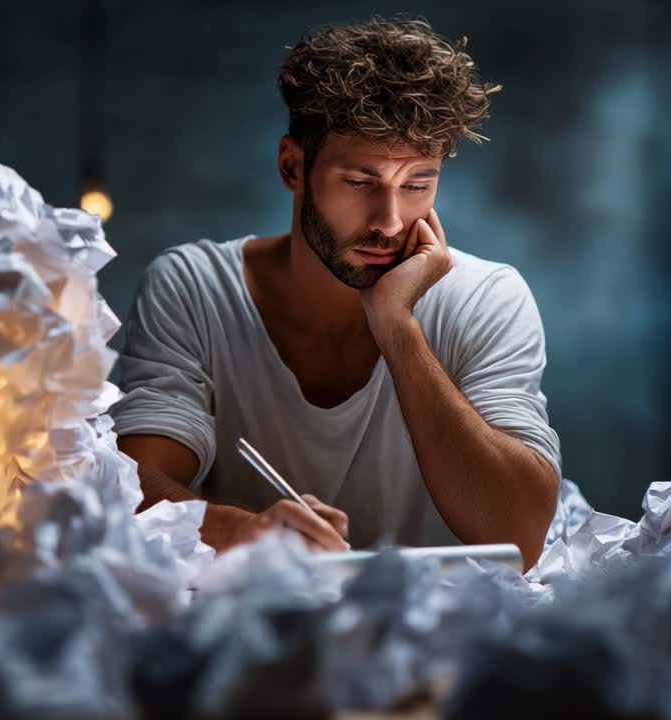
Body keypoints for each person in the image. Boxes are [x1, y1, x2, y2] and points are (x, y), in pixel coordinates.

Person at [109, 16, 561, 571]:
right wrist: (242, 532)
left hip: (444, 642)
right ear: (292, 166)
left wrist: (398, 327)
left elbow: (521, 535)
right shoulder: (194, 287)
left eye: (418, 183)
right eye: (360, 182)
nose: (391, 222)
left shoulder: (487, 297)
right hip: (248, 632)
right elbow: (122, 489)